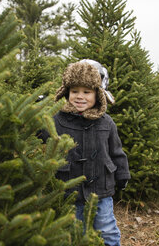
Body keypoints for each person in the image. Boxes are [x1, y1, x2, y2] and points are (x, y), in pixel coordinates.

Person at [42, 60, 131, 246]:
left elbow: (116, 152)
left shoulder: (106, 122)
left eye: (86, 92)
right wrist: (39, 109)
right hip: (69, 190)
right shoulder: (56, 120)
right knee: (76, 231)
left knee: (107, 229)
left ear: (98, 94)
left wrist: (122, 175)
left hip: (101, 189)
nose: (80, 96)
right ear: (66, 92)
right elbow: (40, 137)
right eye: (74, 91)